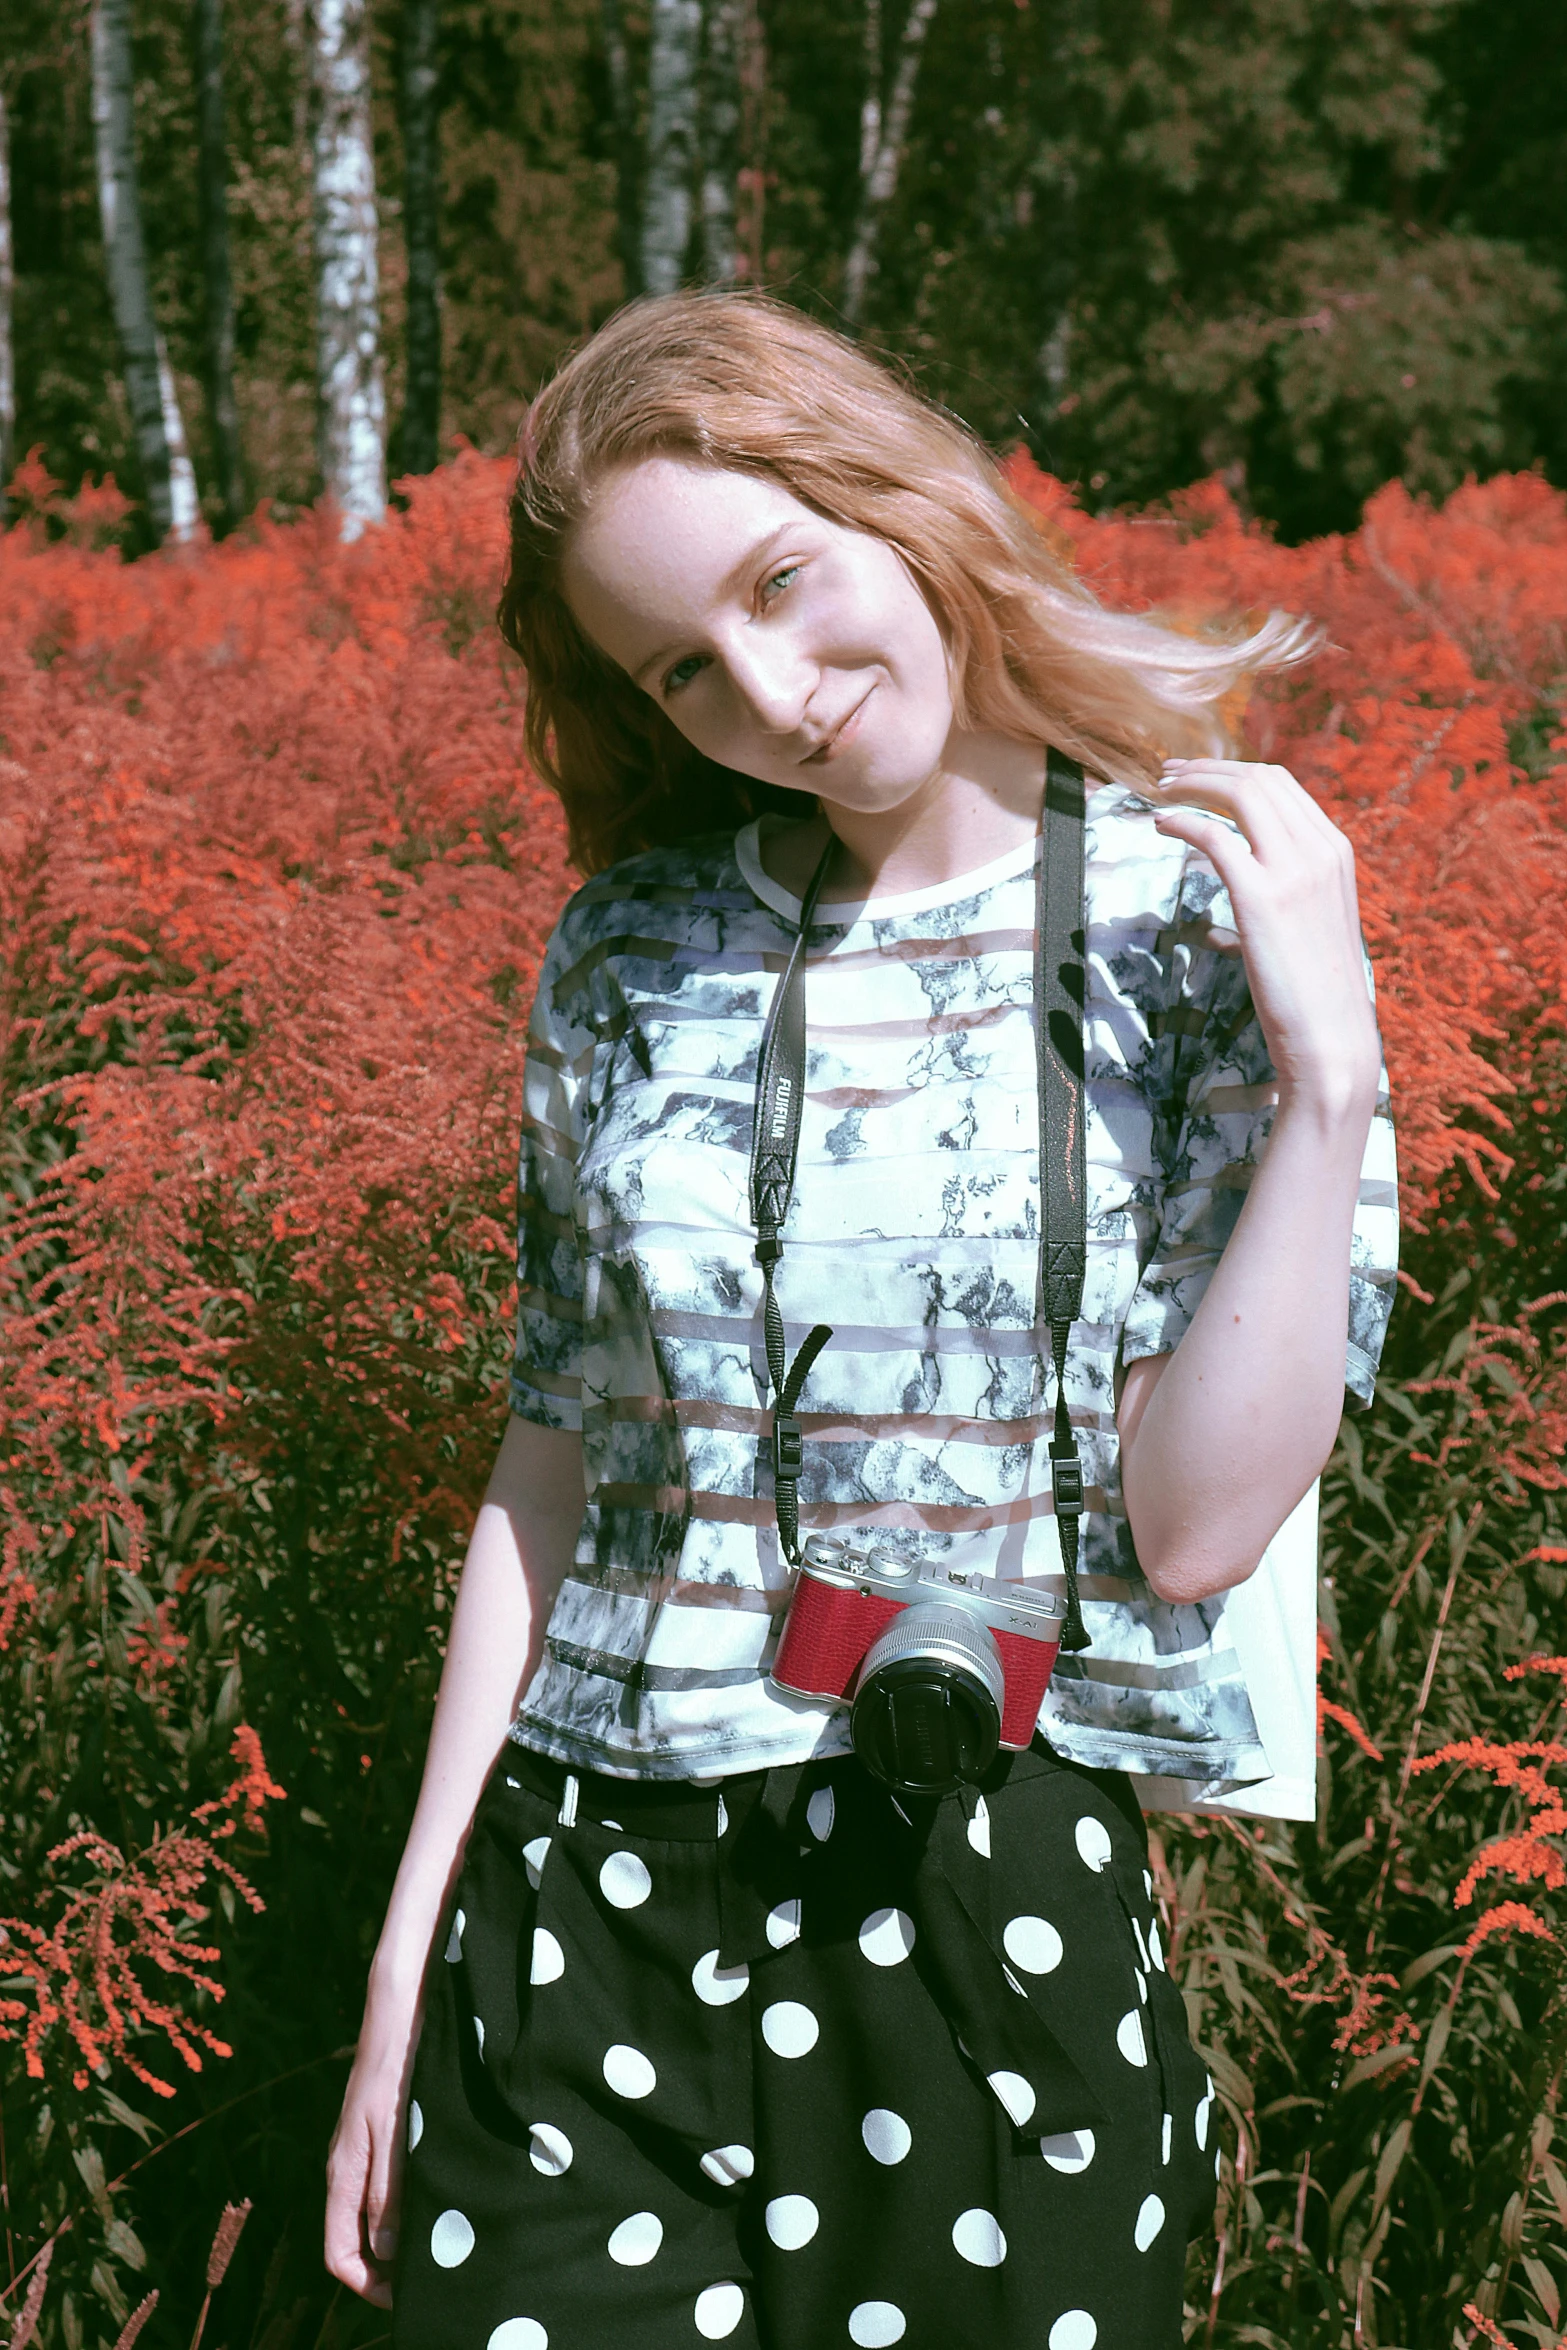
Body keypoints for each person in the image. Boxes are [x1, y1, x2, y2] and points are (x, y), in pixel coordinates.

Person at [325, 290, 1398, 2350]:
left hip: (979, 1898)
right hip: (577, 1904)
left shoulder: (1193, 921)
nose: (768, 693)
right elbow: (558, 1448)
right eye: (680, 669)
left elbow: (1193, 1531)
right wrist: (414, 1947)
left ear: (890, 494)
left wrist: (1329, 1071)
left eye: (779, 582)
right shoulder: (634, 944)